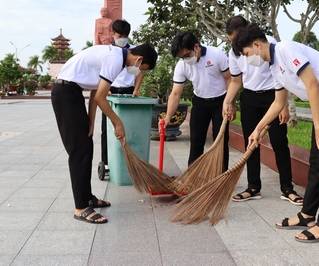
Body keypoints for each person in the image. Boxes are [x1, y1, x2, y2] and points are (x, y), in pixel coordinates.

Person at [232, 24, 319, 243]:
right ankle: (307, 214)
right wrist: (257, 129)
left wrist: (317, 124)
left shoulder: (285, 49)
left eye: (247, 54)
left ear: (257, 44)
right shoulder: (273, 67)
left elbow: (312, 83)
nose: (247, 60)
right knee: (317, 160)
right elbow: (278, 103)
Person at [51, 43, 157, 224]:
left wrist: (91, 121)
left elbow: (95, 90)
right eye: (143, 69)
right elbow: (101, 97)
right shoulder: (115, 59)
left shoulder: (117, 56)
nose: (139, 72)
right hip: (65, 93)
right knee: (79, 151)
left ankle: (87, 198)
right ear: (139, 60)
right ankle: (81, 208)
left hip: (72, 93)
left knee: (87, 146)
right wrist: (118, 123)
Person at [223, 16, 303, 205]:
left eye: (235, 38)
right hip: (250, 98)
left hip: (273, 97)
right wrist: (228, 102)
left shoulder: (269, 44)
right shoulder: (234, 52)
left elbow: (282, 76)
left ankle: (287, 188)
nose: (234, 44)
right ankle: (253, 187)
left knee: (279, 142)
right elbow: (235, 81)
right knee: (251, 142)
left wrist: (283, 106)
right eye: (231, 40)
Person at [160, 31, 231, 171]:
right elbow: (175, 93)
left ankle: (221, 177)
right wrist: (168, 116)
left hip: (220, 101)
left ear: (196, 47)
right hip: (200, 102)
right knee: (196, 142)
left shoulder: (216, 55)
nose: (186, 60)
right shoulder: (182, 65)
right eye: (182, 57)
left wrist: (229, 103)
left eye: (187, 55)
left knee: (220, 141)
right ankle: (193, 177)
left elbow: (230, 78)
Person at [100, 19, 144, 168]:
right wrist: (106, 89)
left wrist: (136, 89)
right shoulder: (107, 51)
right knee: (107, 128)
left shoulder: (134, 51)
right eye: (120, 35)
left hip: (129, 91)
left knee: (130, 127)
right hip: (110, 92)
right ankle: (106, 162)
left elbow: (139, 72)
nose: (122, 38)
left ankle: (129, 160)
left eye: (125, 35)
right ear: (113, 34)